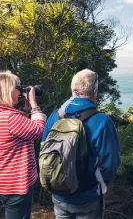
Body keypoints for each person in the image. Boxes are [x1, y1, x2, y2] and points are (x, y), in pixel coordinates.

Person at [41, 69, 121, 219]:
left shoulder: (54, 116)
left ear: (73, 90)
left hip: (59, 194)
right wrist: (99, 184)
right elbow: (110, 164)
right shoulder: (103, 121)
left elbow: (43, 148)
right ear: (95, 91)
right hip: (88, 197)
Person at [0, 70, 47, 219]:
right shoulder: (11, 118)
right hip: (15, 186)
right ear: (8, 91)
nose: (20, 92)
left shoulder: (7, 117)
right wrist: (34, 104)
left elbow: (20, 129)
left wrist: (25, 109)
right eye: (17, 88)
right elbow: (39, 130)